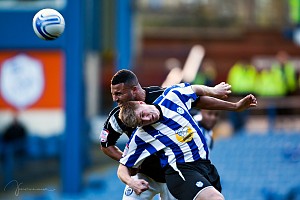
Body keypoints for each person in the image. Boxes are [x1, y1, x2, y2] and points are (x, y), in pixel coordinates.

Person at [100, 69, 232, 200]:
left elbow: (196, 99)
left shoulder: (164, 96)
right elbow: (107, 145)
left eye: (118, 93)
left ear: (134, 91)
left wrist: (233, 106)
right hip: (145, 175)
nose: (114, 98)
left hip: (173, 173)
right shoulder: (119, 118)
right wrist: (131, 162)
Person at [117, 82, 257, 200]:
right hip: (180, 171)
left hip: (205, 167)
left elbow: (195, 89)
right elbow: (122, 168)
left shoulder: (172, 96)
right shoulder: (142, 135)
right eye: (142, 122)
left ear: (142, 103)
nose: (147, 119)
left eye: (143, 114)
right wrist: (131, 182)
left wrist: (218, 94)